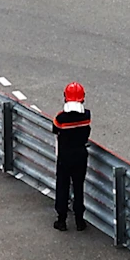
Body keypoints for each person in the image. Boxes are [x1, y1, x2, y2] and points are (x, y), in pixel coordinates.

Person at [51, 82, 94, 230]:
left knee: (62, 187)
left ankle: (61, 220)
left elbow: (55, 130)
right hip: (81, 155)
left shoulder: (61, 118)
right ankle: (79, 221)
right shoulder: (87, 115)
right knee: (78, 187)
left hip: (64, 157)